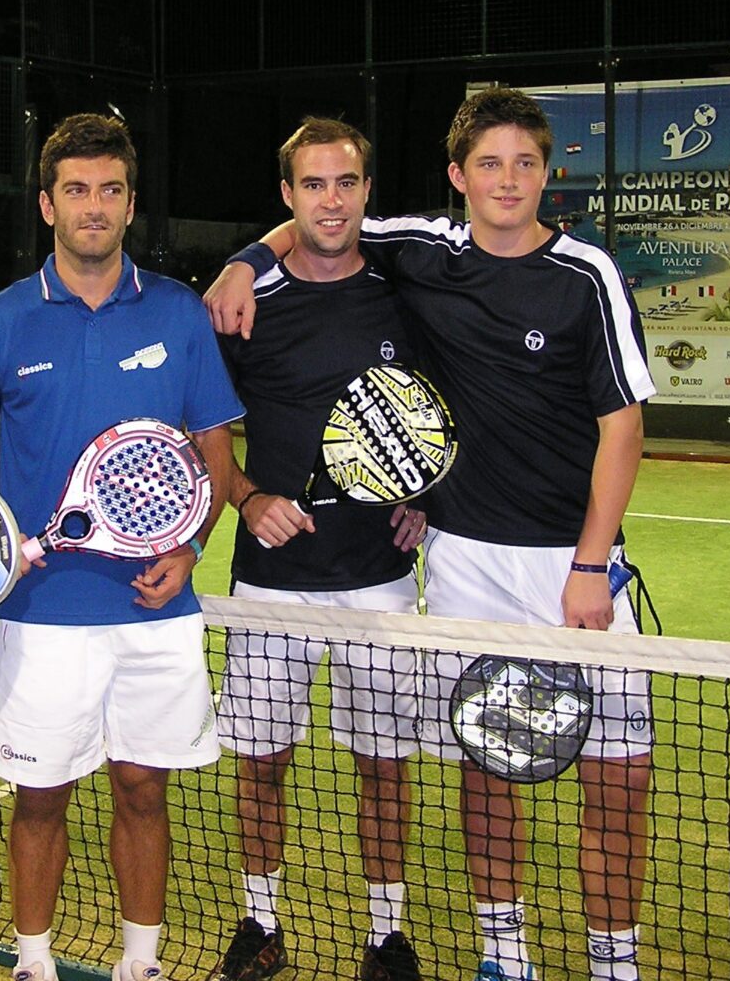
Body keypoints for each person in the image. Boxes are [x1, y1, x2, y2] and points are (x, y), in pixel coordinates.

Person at [205, 89, 657, 981]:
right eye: (488, 163)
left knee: (620, 778)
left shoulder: (586, 275)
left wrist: (589, 563)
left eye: (524, 163)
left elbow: (624, 426)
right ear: (458, 175)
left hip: (574, 565)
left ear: (548, 173)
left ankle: (616, 965)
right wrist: (241, 261)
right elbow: (317, 223)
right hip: (464, 564)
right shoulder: (423, 249)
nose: (507, 181)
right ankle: (503, 957)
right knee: (486, 773)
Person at [0, 113, 243, 981]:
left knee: (144, 789)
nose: (94, 206)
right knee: (40, 797)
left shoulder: (178, 314)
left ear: (131, 204)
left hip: (156, 609)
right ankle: (33, 963)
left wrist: (192, 547)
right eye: (76, 190)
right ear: (48, 205)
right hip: (42, 611)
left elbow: (215, 451)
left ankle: (139, 964)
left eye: (110, 190)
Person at [211, 118, 427, 981]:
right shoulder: (247, 303)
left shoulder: (404, 291)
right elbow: (202, 427)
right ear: (287, 195)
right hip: (272, 582)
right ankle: (260, 923)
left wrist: (425, 495)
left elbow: (443, 409)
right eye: (312, 184)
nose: (330, 201)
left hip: (379, 577)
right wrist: (247, 497)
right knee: (261, 764)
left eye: (345, 183)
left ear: (367, 191)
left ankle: (387, 937)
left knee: (385, 767)